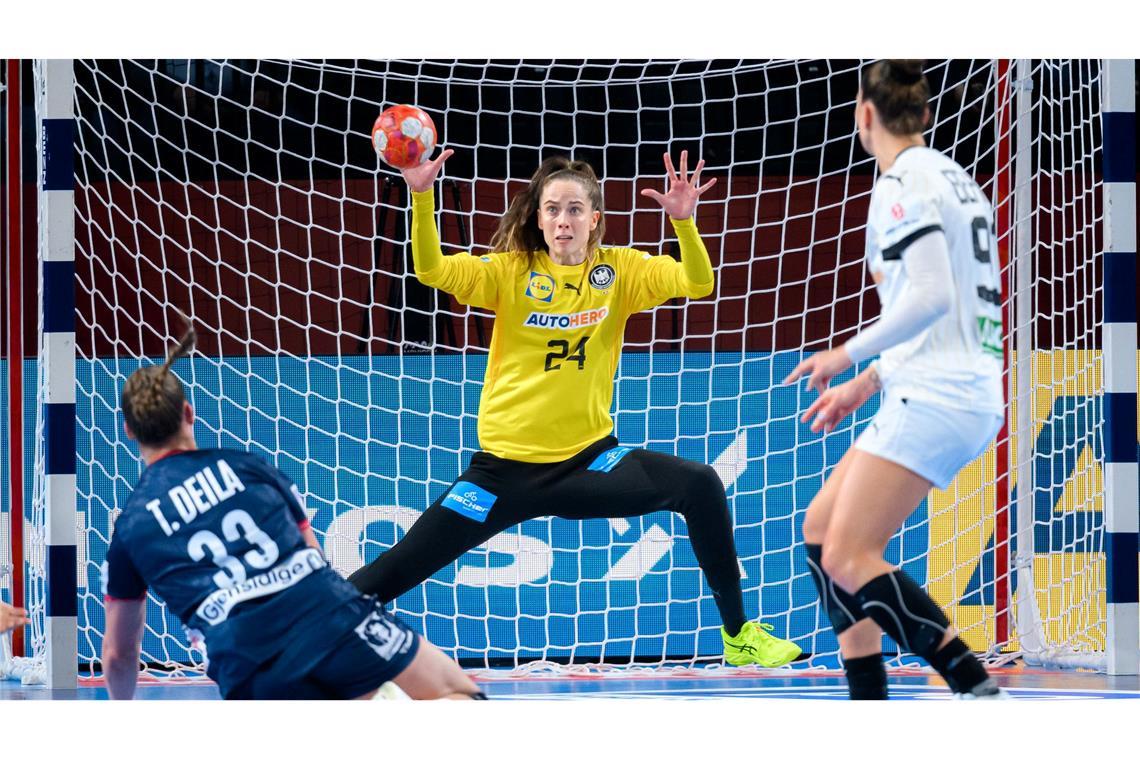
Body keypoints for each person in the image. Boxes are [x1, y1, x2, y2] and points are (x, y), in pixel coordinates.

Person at [348, 149, 801, 668]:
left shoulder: (621, 271)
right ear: (538, 219)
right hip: (502, 476)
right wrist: (422, 195)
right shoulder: (510, 272)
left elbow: (698, 284)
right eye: (553, 209)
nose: (563, 220)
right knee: (393, 570)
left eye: (575, 210)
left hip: (590, 463)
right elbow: (430, 270)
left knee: (699, 484)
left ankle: (739, 635)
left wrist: (684, 224)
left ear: (595, 219)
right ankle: (302, 625)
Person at [102, 324, 483, 700]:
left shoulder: (130, 528)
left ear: (129, 431)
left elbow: (120, 655)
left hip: (247, 665)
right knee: (458, 693)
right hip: (328, 619)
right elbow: (313, 554)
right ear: (189, 412)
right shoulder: (249, 467)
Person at [785, 60, 1006, 699]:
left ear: (865, 114)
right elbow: (946, 307)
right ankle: (869, 699)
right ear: (924, 114)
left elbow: (933, 295)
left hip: (940, 394)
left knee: (850, 557)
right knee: (822, 528)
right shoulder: (954, 177)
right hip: (947, 382)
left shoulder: (901, 182)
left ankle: (975, 687)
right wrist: (868, 382)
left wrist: (846, 356)